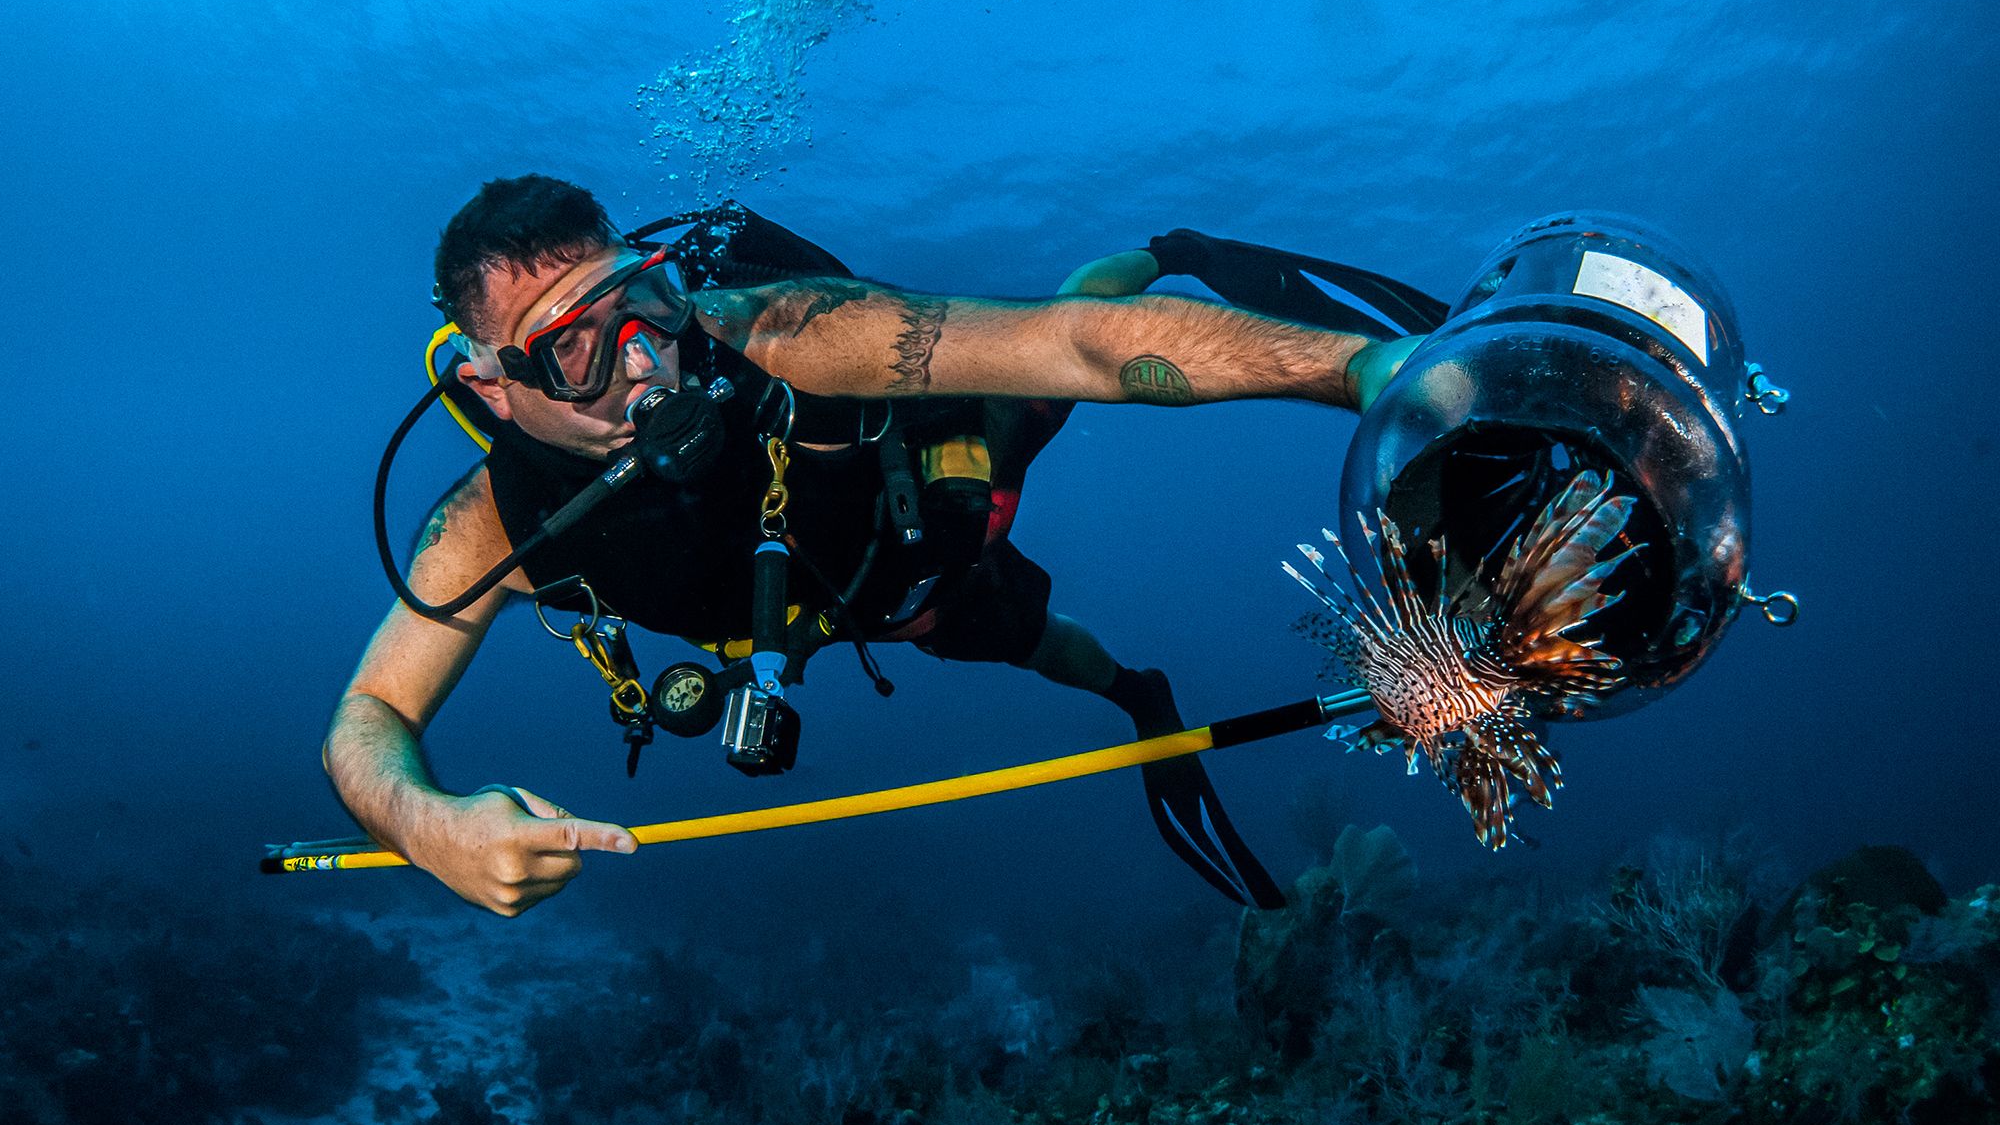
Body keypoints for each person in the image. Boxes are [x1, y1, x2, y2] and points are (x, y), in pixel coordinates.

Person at [324, 176, 1418, 916]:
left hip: (941, 491)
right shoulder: (488, 527)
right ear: (492, 386)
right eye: (573, 352)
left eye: (641, 304)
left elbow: (1078, 347)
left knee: (1060, 337)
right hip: (887, 606)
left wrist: (1370, 375)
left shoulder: (780, 331)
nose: (645, 364)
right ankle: (1139, 691)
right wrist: (428, 823)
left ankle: (1157, 248)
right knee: (1020, 635)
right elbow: (369, 718)